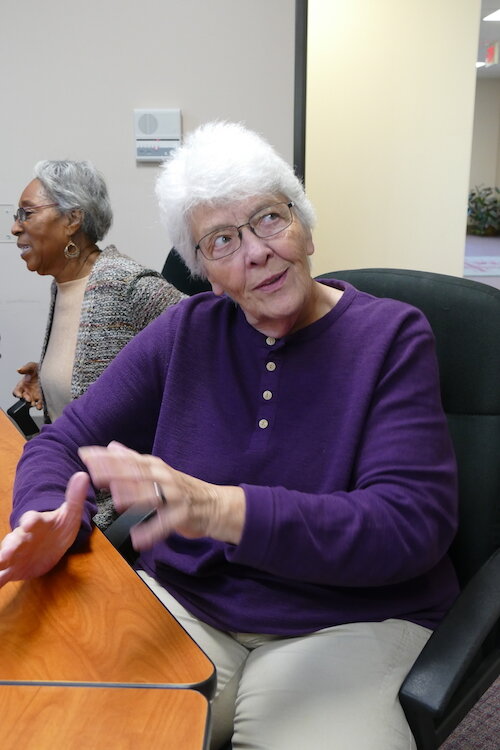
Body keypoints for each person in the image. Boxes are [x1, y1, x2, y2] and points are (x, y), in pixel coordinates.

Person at [0, 123, 459, 750]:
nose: (256, 252)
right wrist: (49, 515)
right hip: (194, 604)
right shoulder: (188, 330)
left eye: (269, 219)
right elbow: (59, 442)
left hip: (348, 619)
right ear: (205, 273)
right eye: (222, 240)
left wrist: (224, 509)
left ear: (304, 225)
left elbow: (409, 525)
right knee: (68, 729)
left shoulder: (392, 337)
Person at [10, 160, 184, 527]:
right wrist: (51, 378)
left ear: (73, 220)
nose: (15, 227)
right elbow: (108, 370)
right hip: (62, 479)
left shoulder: (127, 284)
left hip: (110, 509)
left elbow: (209, 342)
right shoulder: (64, 282)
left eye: (26, 214)